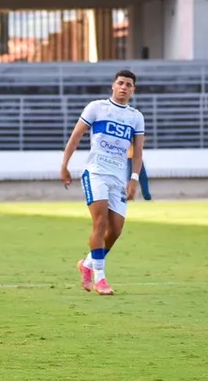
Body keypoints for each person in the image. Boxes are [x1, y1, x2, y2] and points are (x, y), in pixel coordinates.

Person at [60, 69, 146, 296]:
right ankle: (101, 278)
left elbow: (138, 152)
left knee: (115, 230)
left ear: (133, 90)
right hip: (96, 173)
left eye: (129, 84)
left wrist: (134, 179)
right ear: (113, 85)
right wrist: (64, 164)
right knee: (100, 223)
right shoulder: (96, 107)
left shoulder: (135, 117)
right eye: (121, 83)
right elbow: (76, 136)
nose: (124, 87)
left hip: (119, 178)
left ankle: (87, 264)